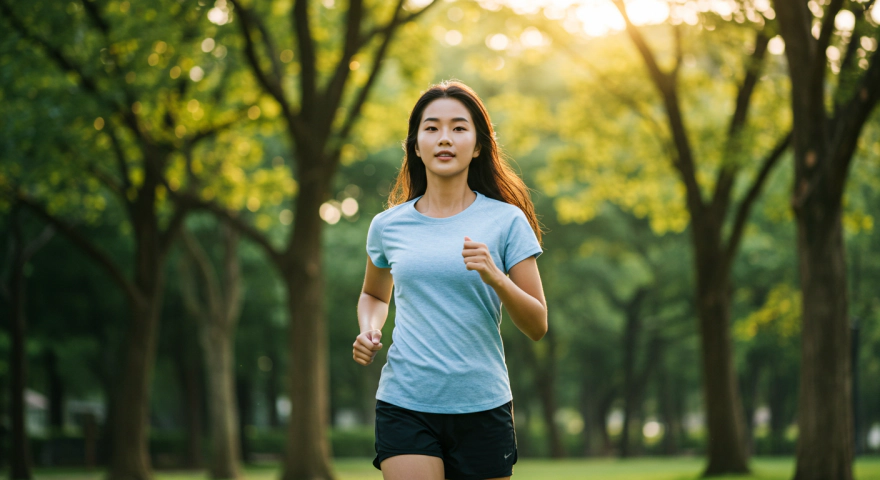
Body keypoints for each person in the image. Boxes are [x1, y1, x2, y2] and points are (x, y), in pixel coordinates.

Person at [352, 80, 547, 480]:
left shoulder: (507, 221)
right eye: (432, 128)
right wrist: (370, 329)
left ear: (477, 145)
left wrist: (497, 278)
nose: (445, 138)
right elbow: (374, 293)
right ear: (416, 144)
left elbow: (537, 325)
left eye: (459, 128)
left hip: (483, 404)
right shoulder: (388, 225)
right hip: (405, 401)